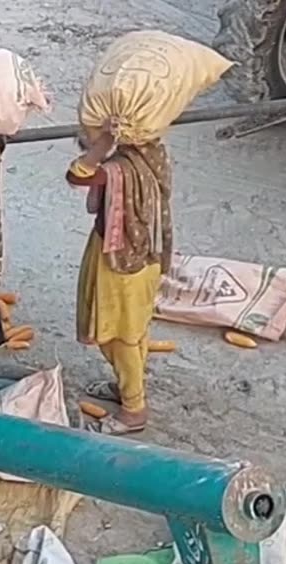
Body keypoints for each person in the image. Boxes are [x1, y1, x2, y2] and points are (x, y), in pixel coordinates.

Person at [65, 125, 173, 435]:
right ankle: (127, 388)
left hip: (121, 263)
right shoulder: (152, 153)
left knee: (117, 336)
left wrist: (102, 146)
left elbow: (77, 176)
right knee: (135, 331)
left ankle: (133, 409)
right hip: (144, 258)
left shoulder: (119, 170)